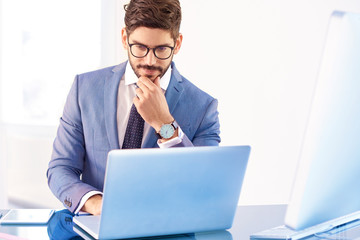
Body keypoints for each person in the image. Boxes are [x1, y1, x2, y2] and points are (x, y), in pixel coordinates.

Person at [47, 0, 220, 216]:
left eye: (161, 49)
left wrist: (165, 124)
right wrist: (97, 205)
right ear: (124, 38)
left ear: (177, 44)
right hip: (96, 228)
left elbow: (203, 187)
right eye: (140, 47)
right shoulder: (85, 89)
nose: (149, 60)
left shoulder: (203, 108)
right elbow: (60, 168)